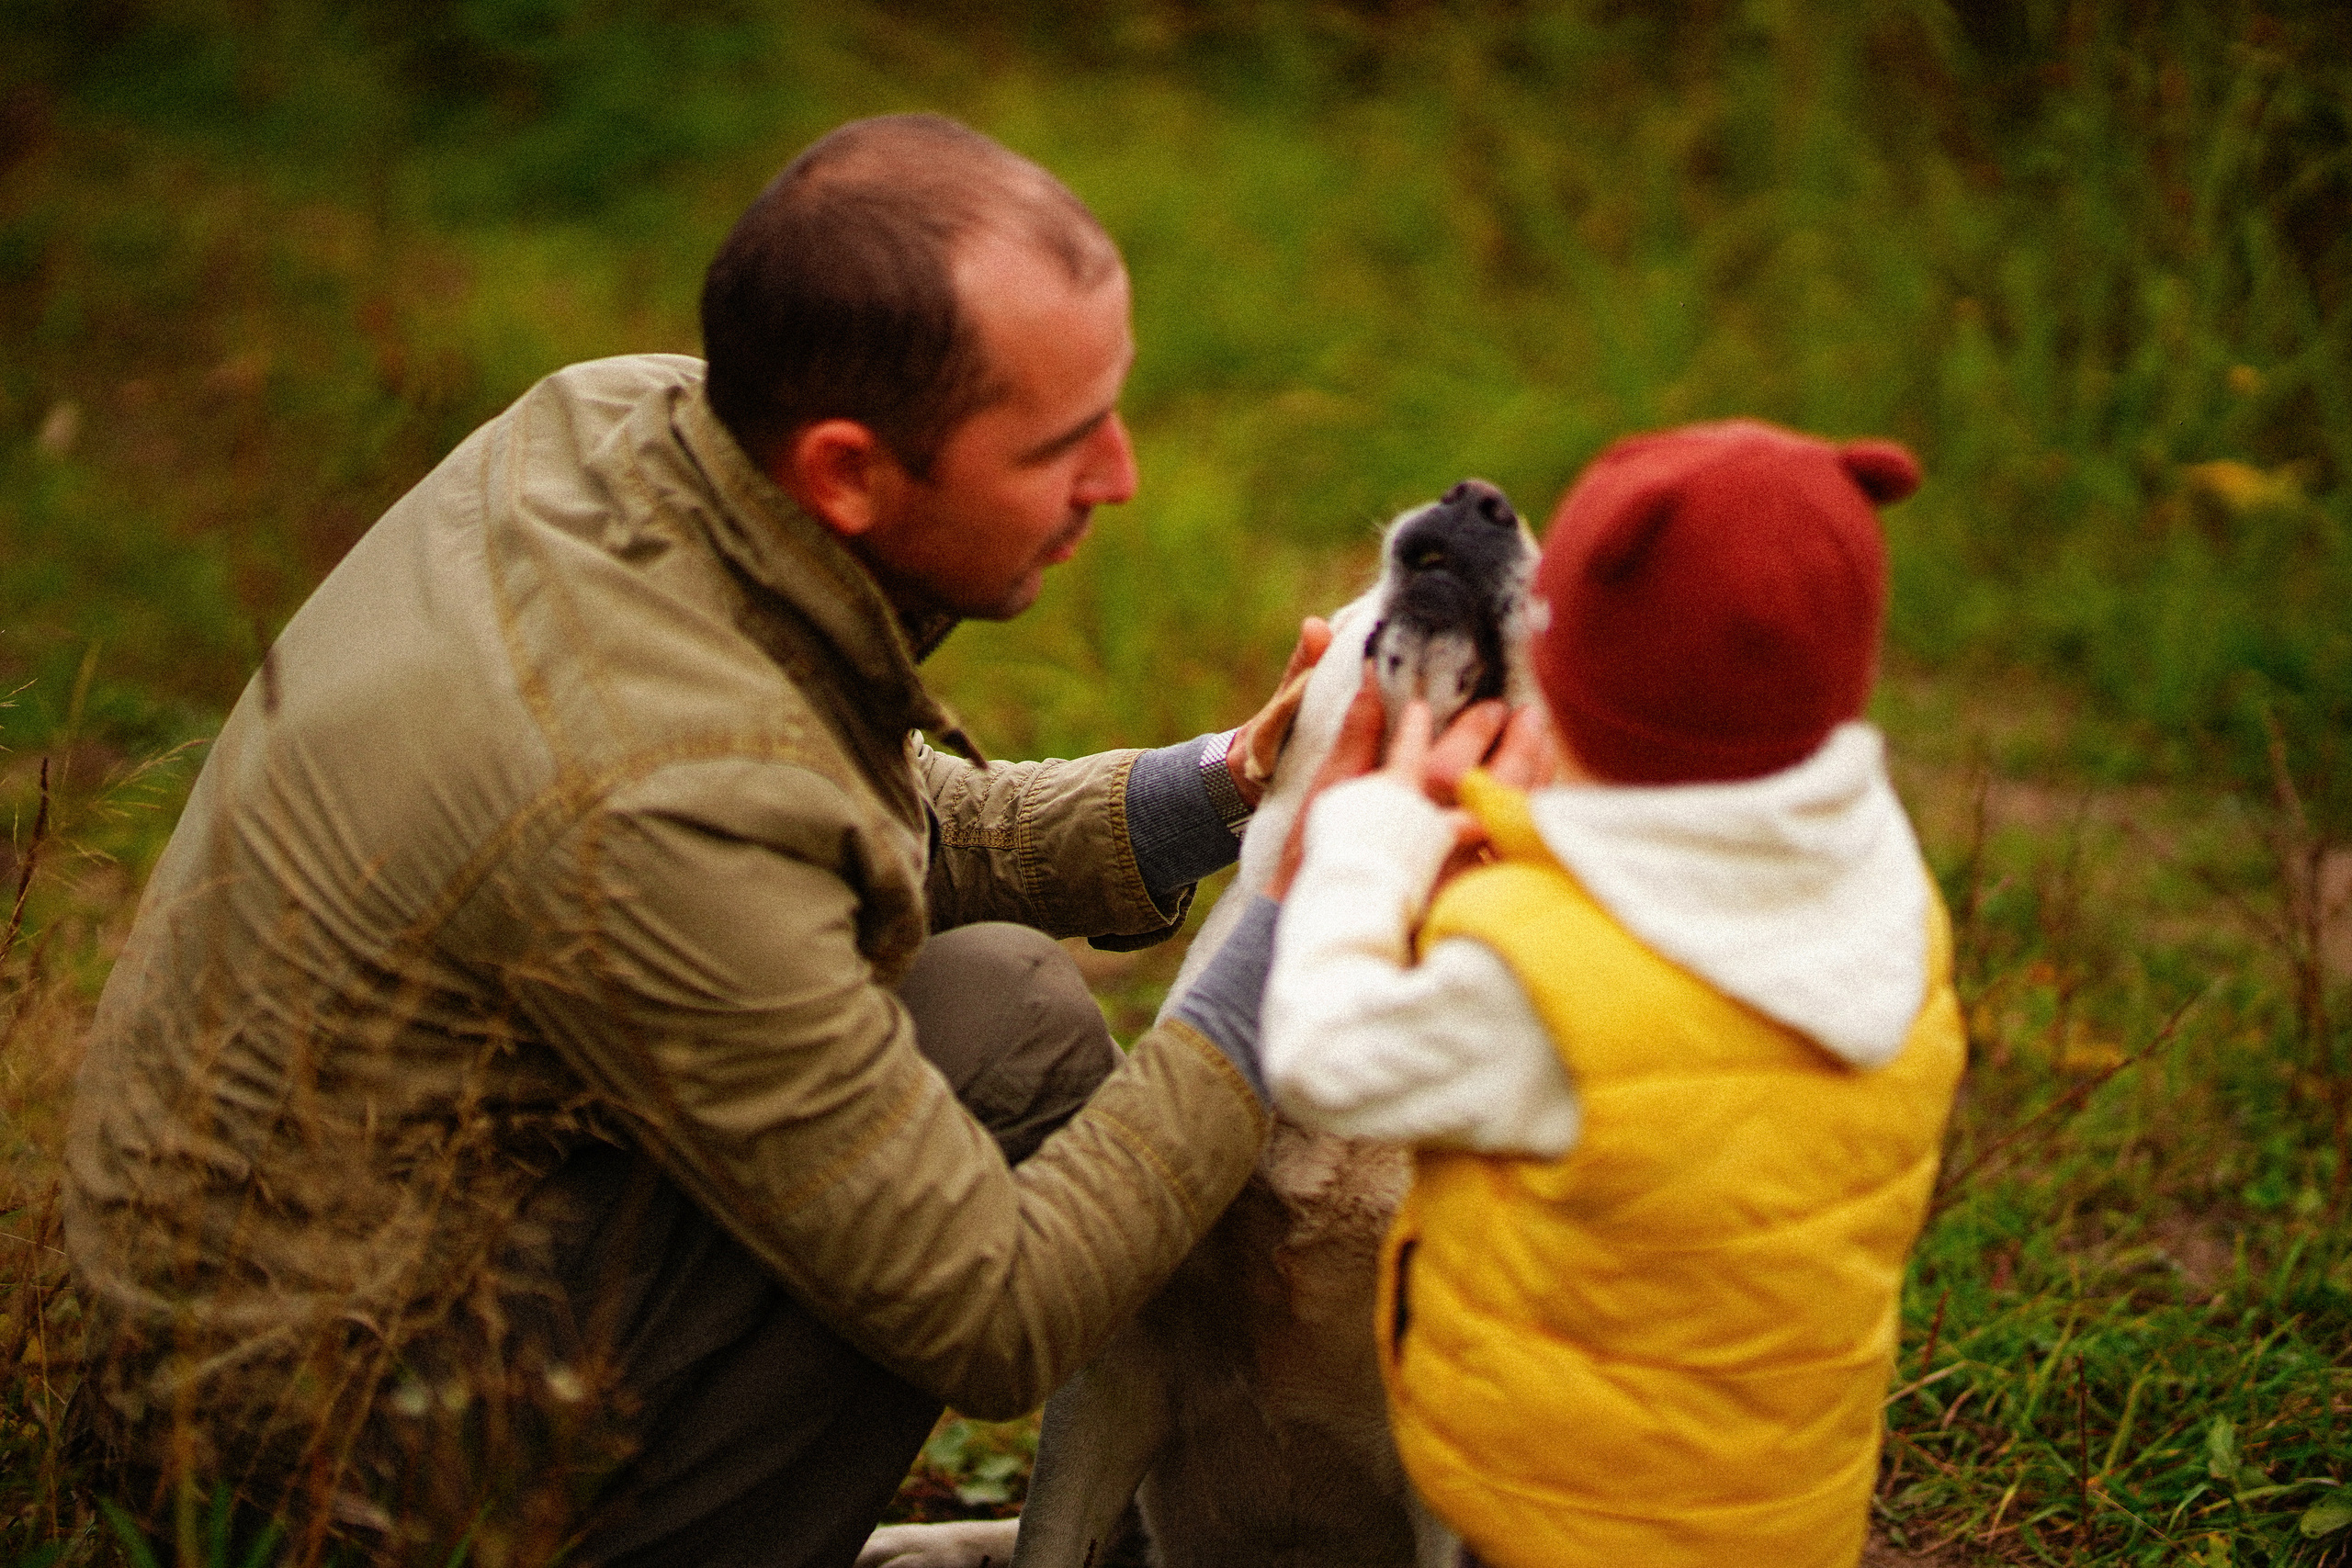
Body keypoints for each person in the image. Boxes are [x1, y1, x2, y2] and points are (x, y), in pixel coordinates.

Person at [63, 114, 1315, 1568]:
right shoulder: (656, 795)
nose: (1122, 476)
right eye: (1057, 443)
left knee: (998, 1007)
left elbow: (869, 816)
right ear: (848, 470)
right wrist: (1298, 914)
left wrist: (1224, 786)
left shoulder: (629, 429)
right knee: (1008, 1044)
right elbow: (1001, 1309)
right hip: (301, 1485)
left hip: (321, 1278)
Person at [1260, 420, 1968, 1568]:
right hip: (1781, 1512)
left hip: (1565, 1516)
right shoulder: (1884, 898)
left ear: (1572, 689)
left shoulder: (1543, 985)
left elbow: (1321, 1056)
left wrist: (1370, 838)